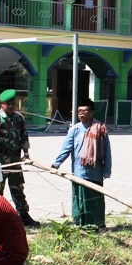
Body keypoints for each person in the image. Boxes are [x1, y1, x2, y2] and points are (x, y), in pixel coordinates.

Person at [52, 98, 112, 229]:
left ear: (91, 112)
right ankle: (79, 223)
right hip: (79, 172)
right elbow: (66, 149)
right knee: (78, 198)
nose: (81, 113)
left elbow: (107, 151)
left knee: (95, 199)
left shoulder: (100, 129)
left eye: (84, 111)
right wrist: (56, 163)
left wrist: (107, 170)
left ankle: (98, 223)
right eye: (79, 111)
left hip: (95, 172)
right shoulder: (74, 130)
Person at [0, 89, 40, 228]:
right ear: (1, 104)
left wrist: (26, 154)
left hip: (15, 158)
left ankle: (23, 215)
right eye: (8, 104)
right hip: (0, 159)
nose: (11, 106)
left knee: (18, 188)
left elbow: (24, 136)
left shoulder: (18, 118)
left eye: (12, 103)